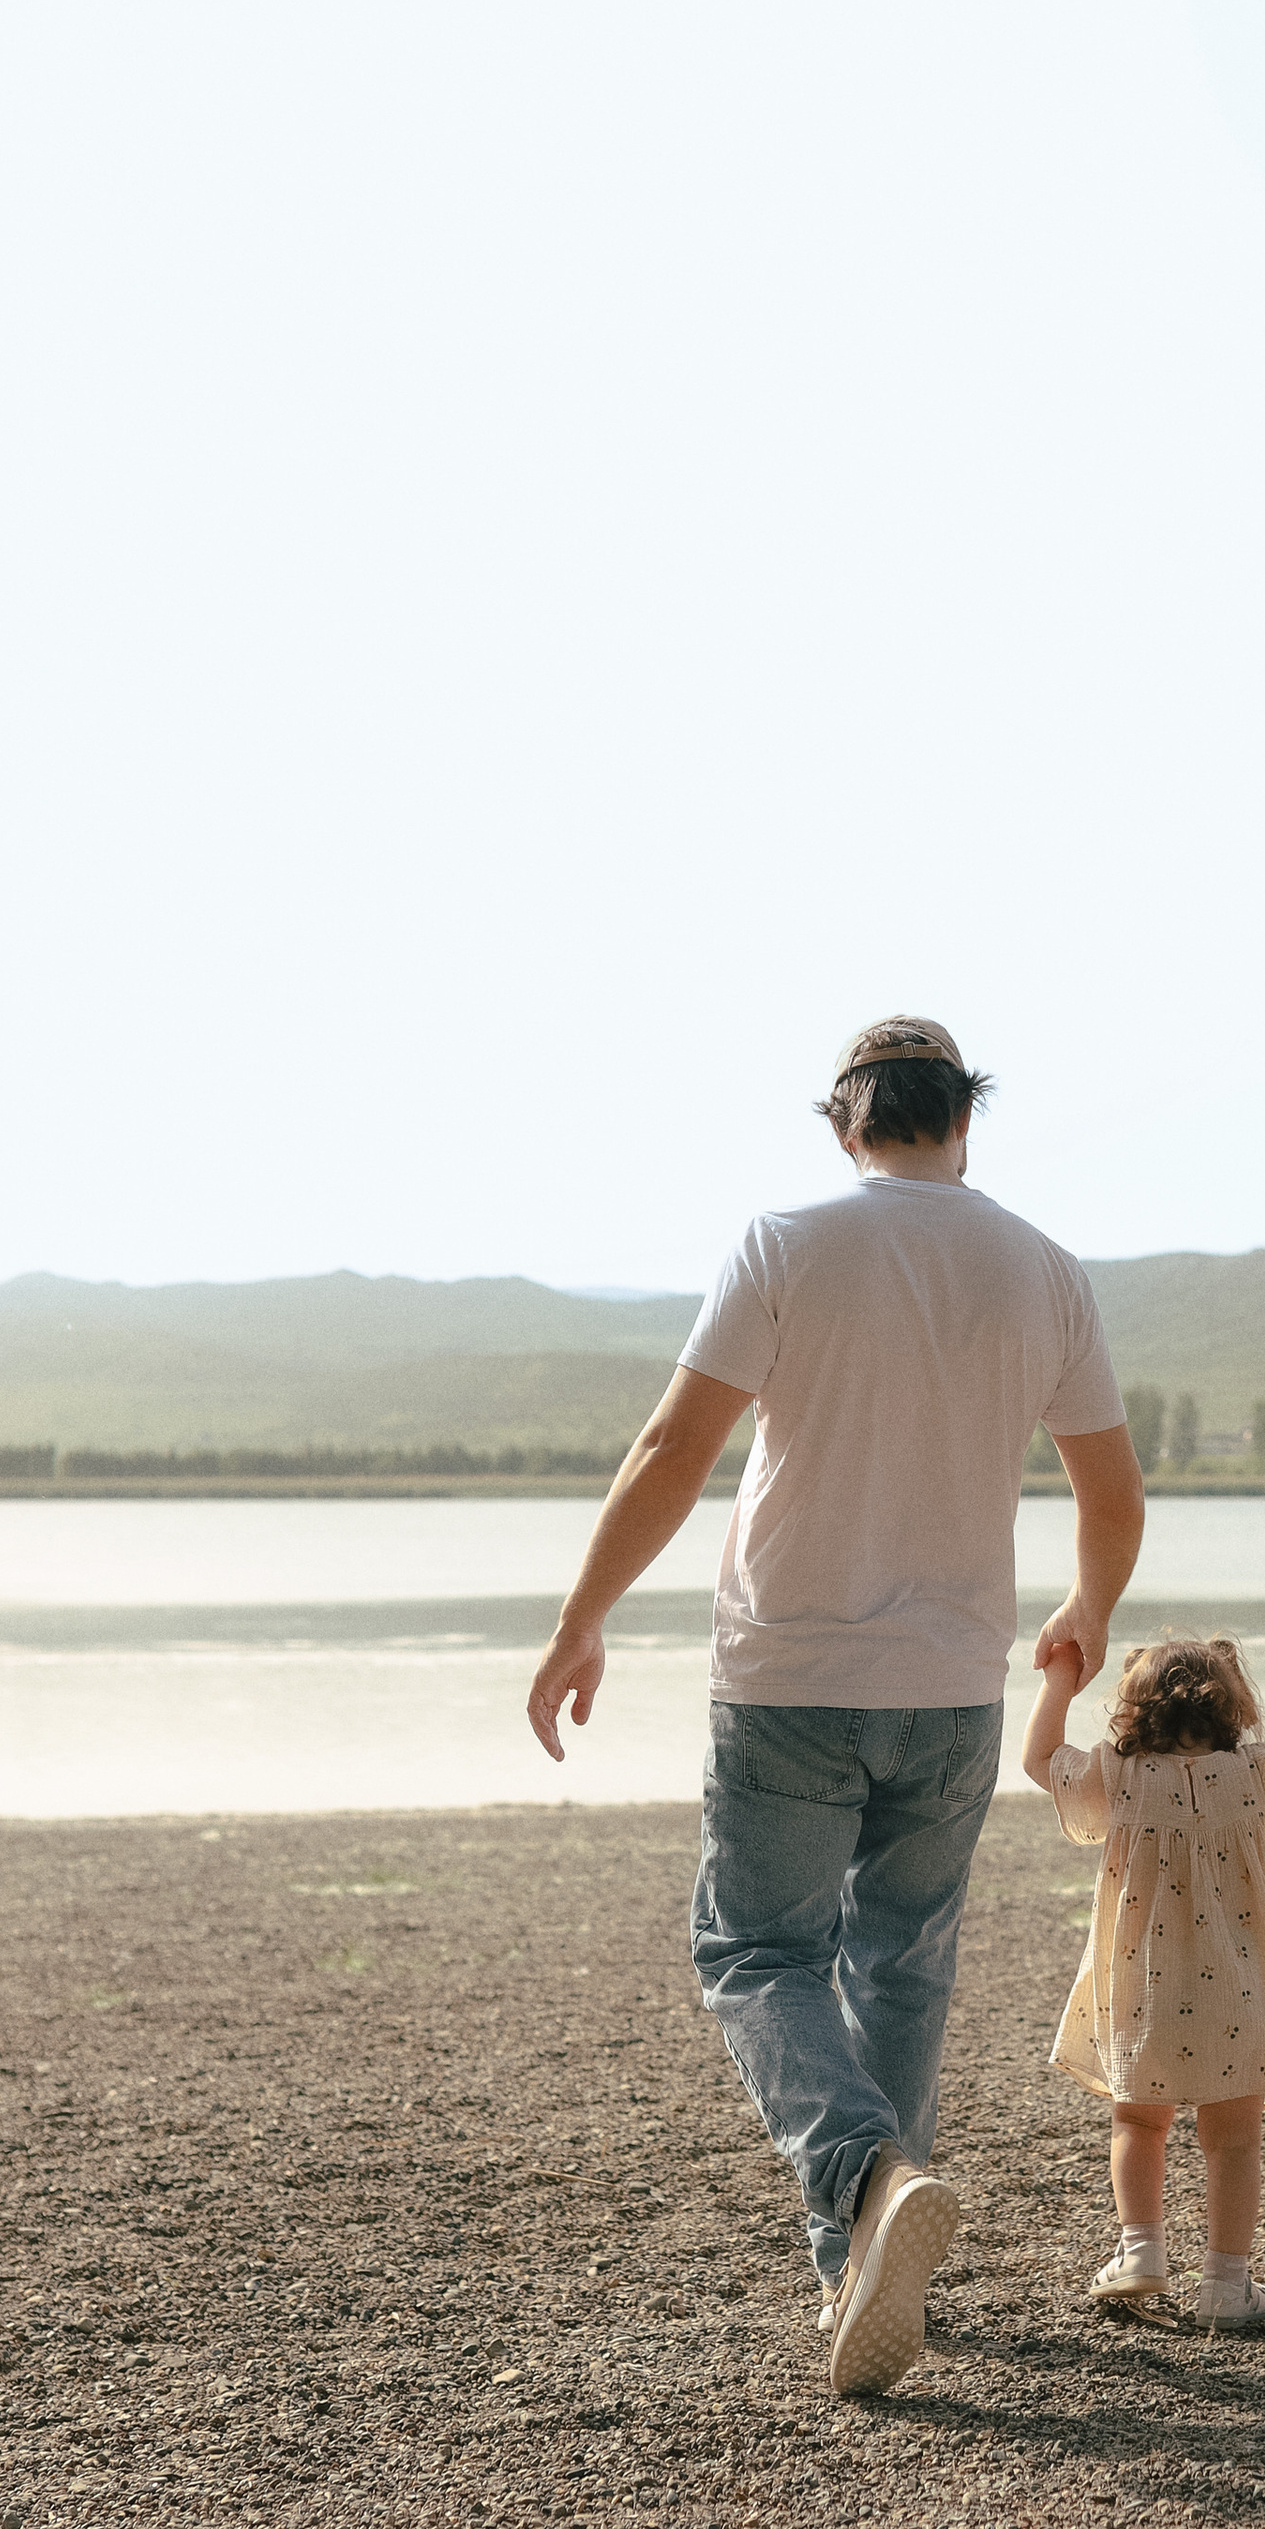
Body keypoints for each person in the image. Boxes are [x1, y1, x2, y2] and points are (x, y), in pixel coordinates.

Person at [524, 1017, 1143, 2398]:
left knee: (753, 1953)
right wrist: (1089, 1612)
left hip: (791, 1675)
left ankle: (870, 2187)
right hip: (954, 1686)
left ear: (845, 1124)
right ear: (961, 1121)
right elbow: (1111, 1495)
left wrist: (583, 1617)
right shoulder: (1044, 1270)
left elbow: (676, 1446)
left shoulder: (785, 1243)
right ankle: (864, 2260)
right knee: (903, 1963)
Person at [1021, 1629, 1265, 2334]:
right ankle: (1227, 2285)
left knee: (1137, 2121)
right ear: (1232, 1704)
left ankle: (1141, 2251)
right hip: (1243, 1987)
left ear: (1134, 1711)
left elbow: (1039, 1758)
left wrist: (1057, 1680)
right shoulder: (1257, 1773)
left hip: (1143, 1991)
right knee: (1233, 2140)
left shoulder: (1117, 1775)